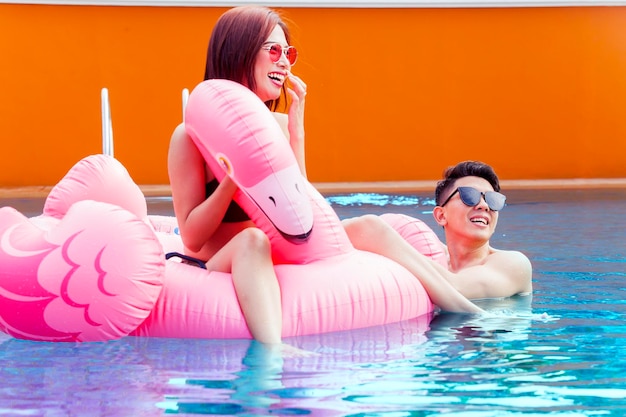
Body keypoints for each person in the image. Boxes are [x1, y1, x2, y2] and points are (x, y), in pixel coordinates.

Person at [167, 6, 307, 346]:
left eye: (288, 52)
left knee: (371, 226)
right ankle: (274, 351)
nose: (284, 62)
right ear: (239, 53)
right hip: (217, 262)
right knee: (252, 240)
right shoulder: (190, 136)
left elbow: (302, 216)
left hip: (271, 260)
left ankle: (456, 302)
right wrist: (232, 180)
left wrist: (296, 132)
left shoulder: (278, 127)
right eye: (273, 50)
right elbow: (192, 237)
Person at [343, 161, 532, 312]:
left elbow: (456, 288)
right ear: (441, 215)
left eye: (493, 199)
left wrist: (381, 236)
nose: (484, 205)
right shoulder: (431, 258)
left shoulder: (514, 264)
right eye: (469, 196)